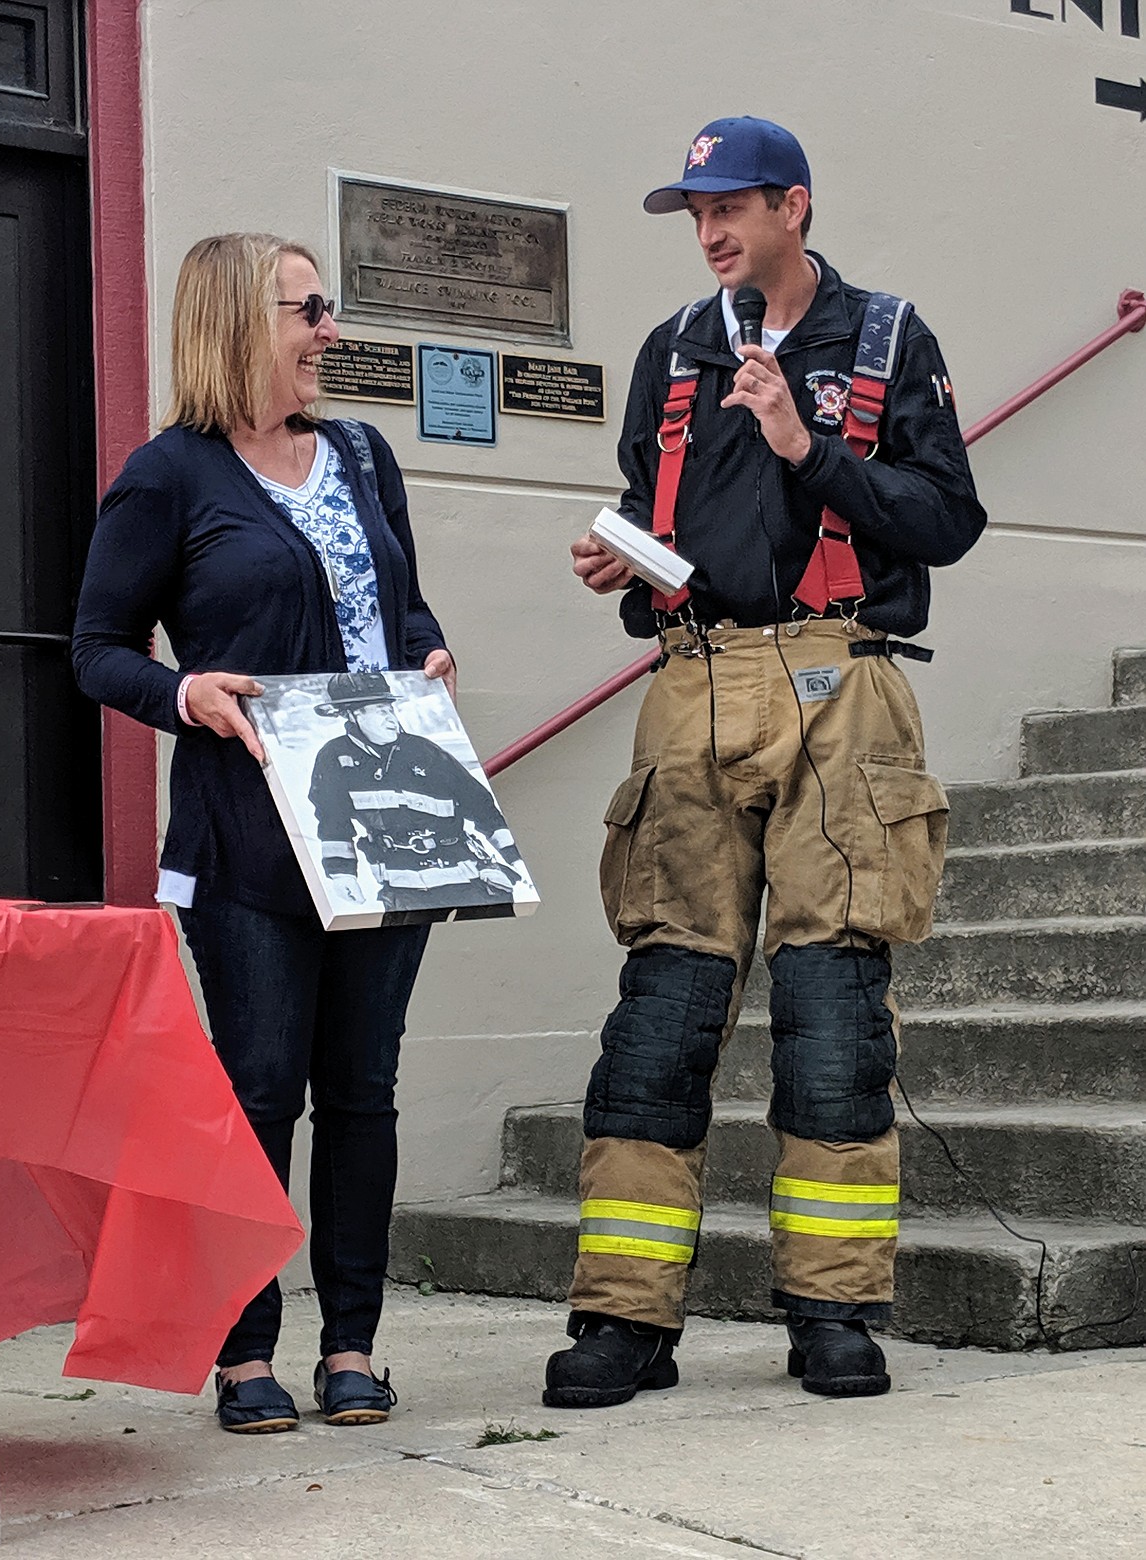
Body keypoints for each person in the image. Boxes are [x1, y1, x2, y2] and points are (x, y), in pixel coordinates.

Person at [543, 117, 986, 1409]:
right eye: (694, 212)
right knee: (663, 1011)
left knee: (832, 1015)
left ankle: (834, 1313)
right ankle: (623, 1320)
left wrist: (811, 450)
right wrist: (621, 560)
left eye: (730, 205)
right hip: (689, 686)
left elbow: (943, 520)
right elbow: (652, 514)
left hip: (840, 684)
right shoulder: (671, 353)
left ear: (794, 204)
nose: (710, 231)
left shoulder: (888, 340)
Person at [72, 232, 455, 1433]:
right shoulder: (168, 475)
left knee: (362, 1089)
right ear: (244, 322)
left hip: (384, 825)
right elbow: (96, 649)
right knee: (255, 1091)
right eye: (309, 309)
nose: (329, 331)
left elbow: (399, 602)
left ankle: (353, 1344)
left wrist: (429, 651)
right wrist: (188, 693)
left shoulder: (360, 454)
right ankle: (245, 1355)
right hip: (249, 839)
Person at [308, 669, 528, 918]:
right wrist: (342, 874)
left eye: (390, 709)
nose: (391, 718)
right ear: (353, 715)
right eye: (380, 711)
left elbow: (482, 808)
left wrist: (514, 857)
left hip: (470, 879)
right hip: (405, 892)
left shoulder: (425, 751)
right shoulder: (334, 758)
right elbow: (332, 820)